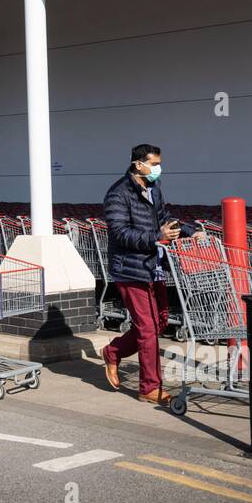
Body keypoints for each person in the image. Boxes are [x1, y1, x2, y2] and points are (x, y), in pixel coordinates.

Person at [101, 144, 202, 405]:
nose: (158, 169)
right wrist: (156, 237)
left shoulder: (153, 188)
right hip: (130, 268)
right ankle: (149, 388)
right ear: (138, 164)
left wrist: (191, 231)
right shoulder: (118, 194)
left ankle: (113, 351)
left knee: (159, 323)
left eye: (158, 163)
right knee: (147, 330)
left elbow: (165, 218)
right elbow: (120, 233)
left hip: (154, 266)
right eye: (153, 164)